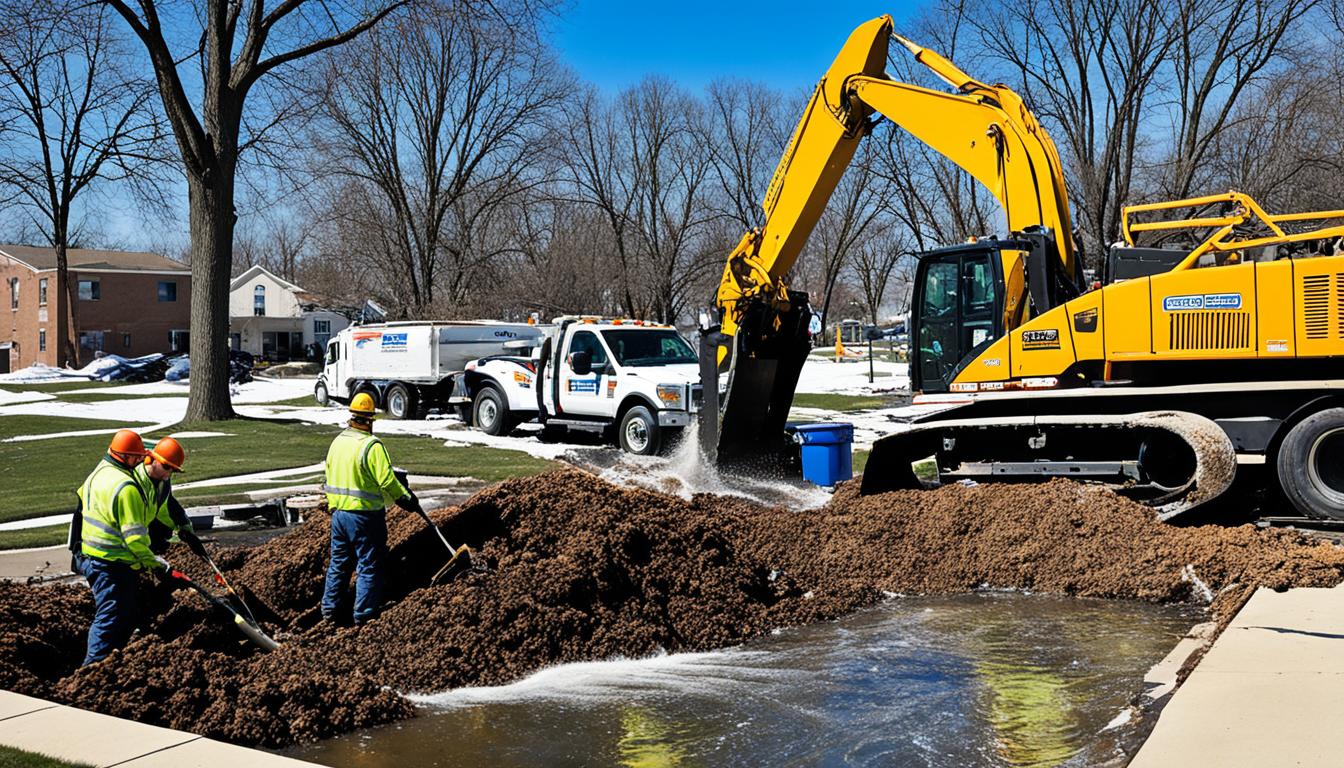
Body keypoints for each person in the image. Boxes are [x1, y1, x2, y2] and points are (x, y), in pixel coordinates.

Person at [70, 429, 169, 665]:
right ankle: (92, 669)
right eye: (137, 457)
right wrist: (154, 562)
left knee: (124, 613)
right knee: (110, 616)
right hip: (112, 563)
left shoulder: (98, 474)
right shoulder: (126, 488)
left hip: (93, 556)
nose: (140, 460)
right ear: (125, 456)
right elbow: (134, 539)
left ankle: (114, 660)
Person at [321, 393, 420, 625]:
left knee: (339, 564)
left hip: (339, 516)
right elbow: (386, 481)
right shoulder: (371, 445)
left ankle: (329, 612)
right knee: (369, 564)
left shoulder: (338, 443)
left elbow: (329, 476)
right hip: (364, 517)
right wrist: (405, 499)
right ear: (370, 420)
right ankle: (364, 616)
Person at [137, 436, 207, 559]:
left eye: (173, 470)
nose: (168, 474)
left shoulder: (163, 480)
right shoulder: (136, 482)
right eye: (166, 467)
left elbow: (167, 503)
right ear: (154, 459)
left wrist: (183, 524)